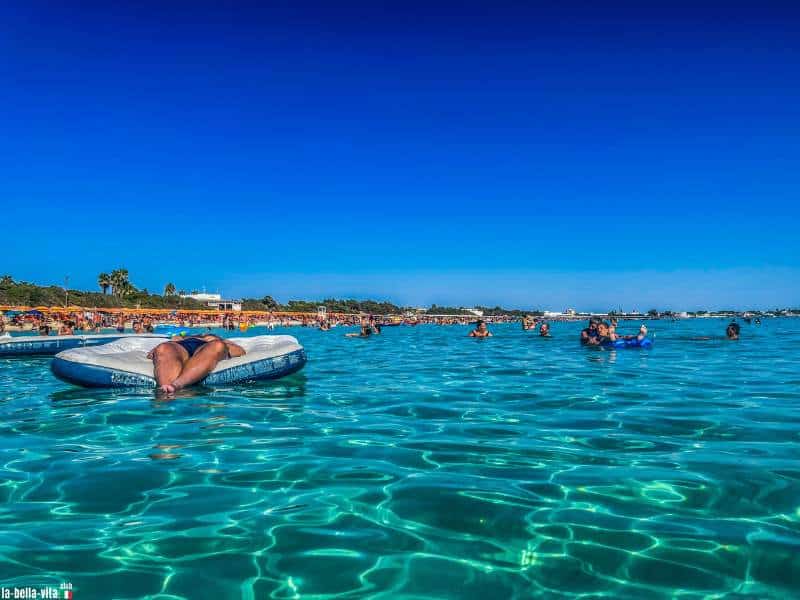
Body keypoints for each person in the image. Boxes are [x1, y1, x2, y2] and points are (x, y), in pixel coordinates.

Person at [147, 334, 246, 394]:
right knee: (164, 347)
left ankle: (175, 385)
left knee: (217, 345)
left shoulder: (214, 338)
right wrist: (158, 349)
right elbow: (155, 351)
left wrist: (223, 347)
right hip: (181, 345)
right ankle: (165, 390)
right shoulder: (180, 337)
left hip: (206, 345)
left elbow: (240, 351)